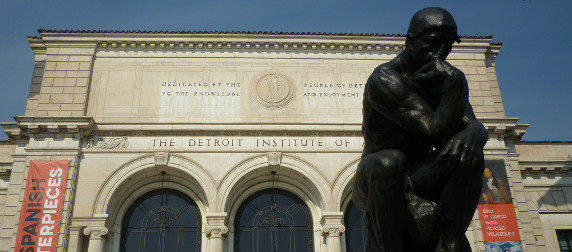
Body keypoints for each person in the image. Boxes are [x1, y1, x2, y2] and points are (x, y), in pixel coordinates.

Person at [352, 7, 489, 252]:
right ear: (410, 41)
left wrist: (473, 135)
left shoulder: (442, 78)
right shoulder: (385, 79)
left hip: (418, 174)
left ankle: (449, 243)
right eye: (433, 42)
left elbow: (475, 127)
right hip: (377, 177)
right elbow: (434, 132)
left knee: (470, 154)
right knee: (390, 161)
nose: (441, 51)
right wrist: (456, 84)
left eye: (448, 44)